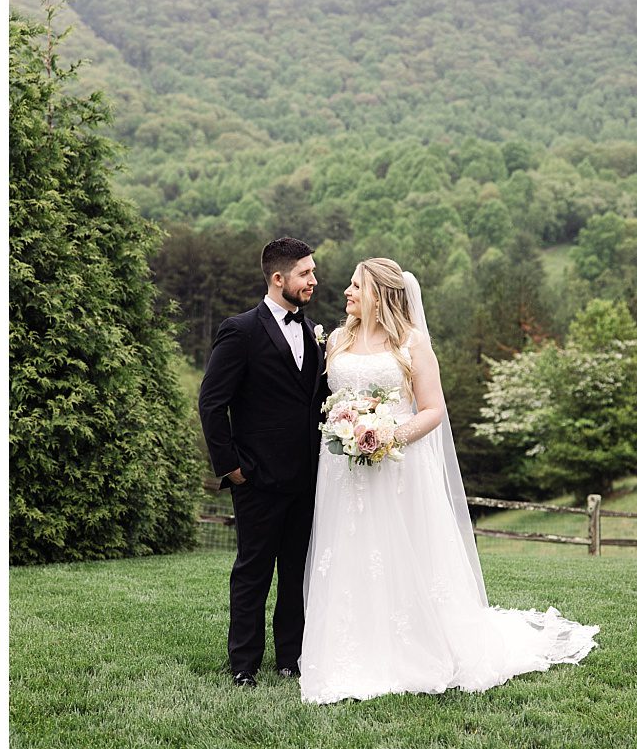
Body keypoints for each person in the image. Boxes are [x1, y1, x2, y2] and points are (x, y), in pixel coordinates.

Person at [298, 256, 598, 705]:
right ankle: (349, 643)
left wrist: (386, 435)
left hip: (396, 464)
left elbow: (434, 410)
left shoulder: (413, 344)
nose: (346, 292)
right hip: (341, 467)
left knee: (401, 550)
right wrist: (347, 430)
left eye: (356, 285)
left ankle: (413, 645)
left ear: (379, 294)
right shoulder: (337, 339)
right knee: (348, 548)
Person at [198, 236, 326, 687]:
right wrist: (231, 467)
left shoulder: (316, 333)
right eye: (305, 273)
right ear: (278, 278)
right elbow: (212, 403)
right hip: (257, 478)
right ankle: (244, 664)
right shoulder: (241, 330)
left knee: (296, 573)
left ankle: (290, 658)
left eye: (312, 271)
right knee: (253, 572)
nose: (313, 280)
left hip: (308, 478)